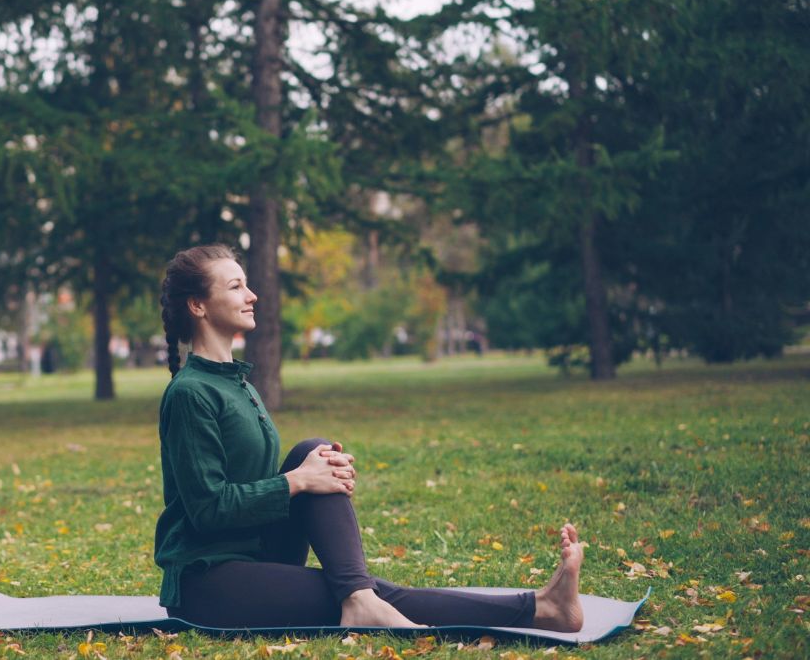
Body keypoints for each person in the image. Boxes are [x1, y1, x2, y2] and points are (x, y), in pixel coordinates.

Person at [153, 244, 585, 630]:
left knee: (313, 451)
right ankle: (539, 608)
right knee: (367, 590)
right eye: (235, 287)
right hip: (209, 580)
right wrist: (299, 481)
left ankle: (360, 596)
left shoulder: (239, 384)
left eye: (247, 285)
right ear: (198, 305)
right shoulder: (191, 394)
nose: (252, 296)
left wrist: (313, 470)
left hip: (259, 554)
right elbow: (208, 510)